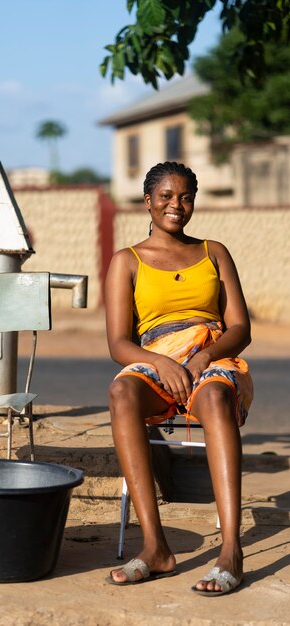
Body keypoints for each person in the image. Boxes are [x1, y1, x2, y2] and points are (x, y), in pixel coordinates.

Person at [105, 161, 253, 596]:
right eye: (166, 196)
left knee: (216, 399)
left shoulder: (214, 252)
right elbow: (117, 344)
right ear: (147, 201)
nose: (177, 205)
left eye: (185, 196)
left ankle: (231, 550)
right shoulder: (126, 261)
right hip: (155, 360)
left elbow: (241, 328)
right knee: (122, 391)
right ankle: (155, 547)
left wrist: (205, 355)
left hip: (211, 358)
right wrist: (162, 362)